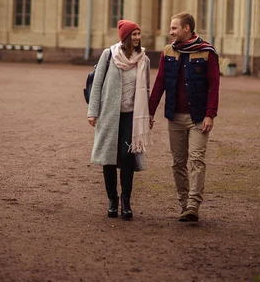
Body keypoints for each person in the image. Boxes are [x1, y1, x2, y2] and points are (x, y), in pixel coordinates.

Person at [149, 12, 220, 222]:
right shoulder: (168, 52)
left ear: (187, 28)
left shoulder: (207, 52)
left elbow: (214, 86)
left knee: (196, 160)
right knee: (178, 162)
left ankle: (193, 205)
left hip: (198, 118)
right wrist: (150, 113)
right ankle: (183, 203)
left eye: (174, 28)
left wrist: (210, 114)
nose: (170, 32)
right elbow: (159, 83)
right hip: (175, 117)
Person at [88, 20, 151, 220]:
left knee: (126, 156)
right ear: (125, 37)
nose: (137, 38)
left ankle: (126, 201)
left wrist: (147, 115)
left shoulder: (144, 59)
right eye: (133, 34)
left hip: (131, 116)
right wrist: (92, 112)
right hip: (109, 114)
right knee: (108, 157)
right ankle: (112, 200)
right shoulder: (109, 55)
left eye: (138, 34)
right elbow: (97, 84)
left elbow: (146, 89)